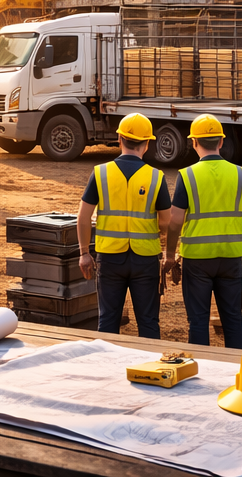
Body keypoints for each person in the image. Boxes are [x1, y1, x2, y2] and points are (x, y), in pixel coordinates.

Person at [165, 115, 242, 349]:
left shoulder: (187, 175)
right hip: (230, 256)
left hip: (197, 259)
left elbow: (175, 221)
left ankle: (201, 369)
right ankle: (237, 368)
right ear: (221, 142)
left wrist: (170, 254)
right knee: (233, 320)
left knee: (198, 321)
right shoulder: (240, 173)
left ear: (194, 142)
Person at [76, 114, 170, 340]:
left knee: (108, 320)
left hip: (110, 258)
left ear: (119, 139)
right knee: (148, 322)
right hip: (145, 259)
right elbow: (166, 222)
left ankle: (107, 364)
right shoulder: (156, 177)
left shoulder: (101, 173)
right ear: (147, 144)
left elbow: (83, 217)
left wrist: (84, 253)